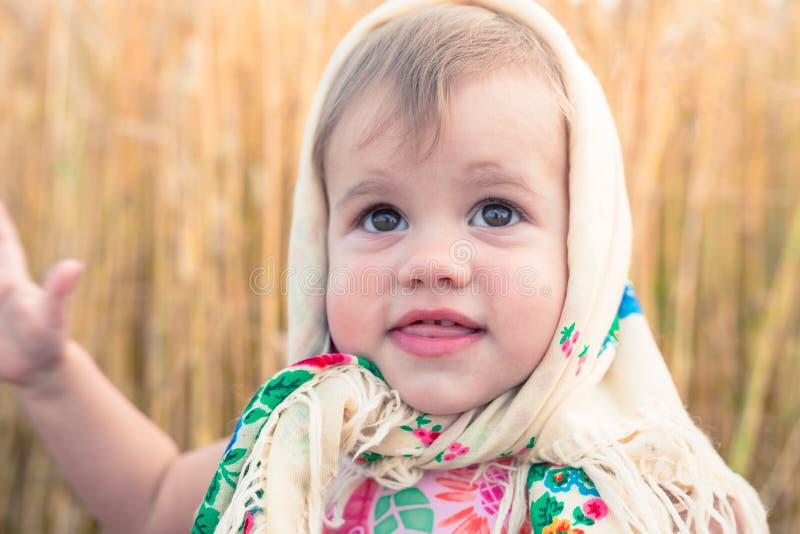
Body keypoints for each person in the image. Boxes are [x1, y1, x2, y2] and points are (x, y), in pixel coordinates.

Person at [0, 1, 768, 533]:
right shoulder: (308, 452)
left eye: (496, 213)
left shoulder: (650, 493)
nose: (431, 262)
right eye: (382, 217)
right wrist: (49, 374)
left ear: (584, 257)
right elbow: (153, 498)